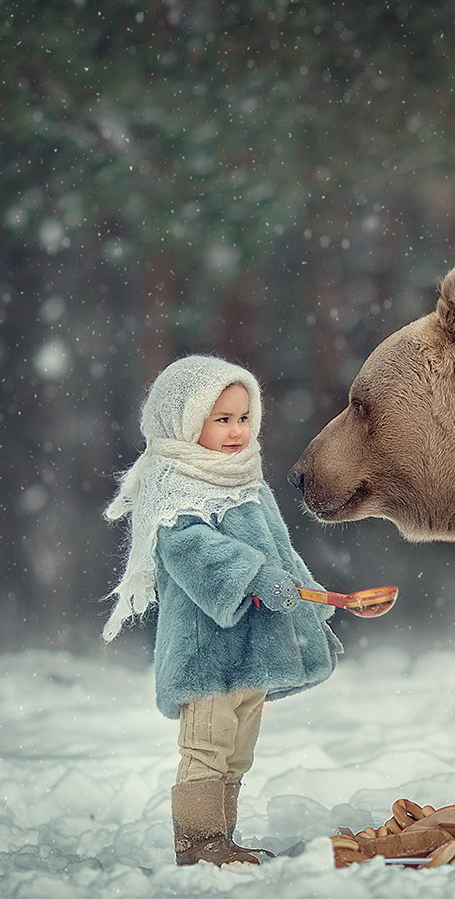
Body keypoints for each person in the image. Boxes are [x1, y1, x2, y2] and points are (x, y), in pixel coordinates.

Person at [102, 355, 342, 867]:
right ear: (185, 423)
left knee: (237, 748)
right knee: (206, 747)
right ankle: (198, 842)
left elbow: (279, 553)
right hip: (206, 652)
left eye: (244, 417)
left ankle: (223, 838)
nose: (237, 431)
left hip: (254, 646)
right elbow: (191, 550)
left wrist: (310, 596)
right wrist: (253, 577)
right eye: (222, 419)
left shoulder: (245, 478)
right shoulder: (175, 487)